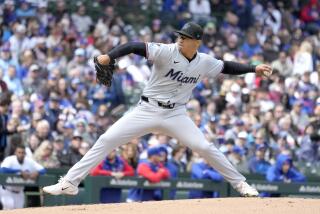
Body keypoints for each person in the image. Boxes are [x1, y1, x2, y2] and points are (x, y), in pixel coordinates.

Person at [43, 22, 273, 197]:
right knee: (106, 140)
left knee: (204, 146)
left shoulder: (204, 61)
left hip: (176, 114)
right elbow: (133, 46)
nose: (181, 40)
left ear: (197, 42)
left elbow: (227, 66)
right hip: (146, 110)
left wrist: (254, 68)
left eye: (186, 37)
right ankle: (70, 183)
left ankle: (240, 184)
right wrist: (109, 55)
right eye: (180, 36)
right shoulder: (165, 50)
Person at [0, 145, 46, 209]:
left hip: (19, 192)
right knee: (8, 210)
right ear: (15, 153)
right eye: (19, 152)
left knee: (19, 211)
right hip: (7, 191)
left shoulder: (29, 161)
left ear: (25, 153)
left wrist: (37, 172)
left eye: (23, 152)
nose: (21, 154)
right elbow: (2, 170)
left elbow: (43, 170)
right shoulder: (10, 159)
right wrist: (19, 171)